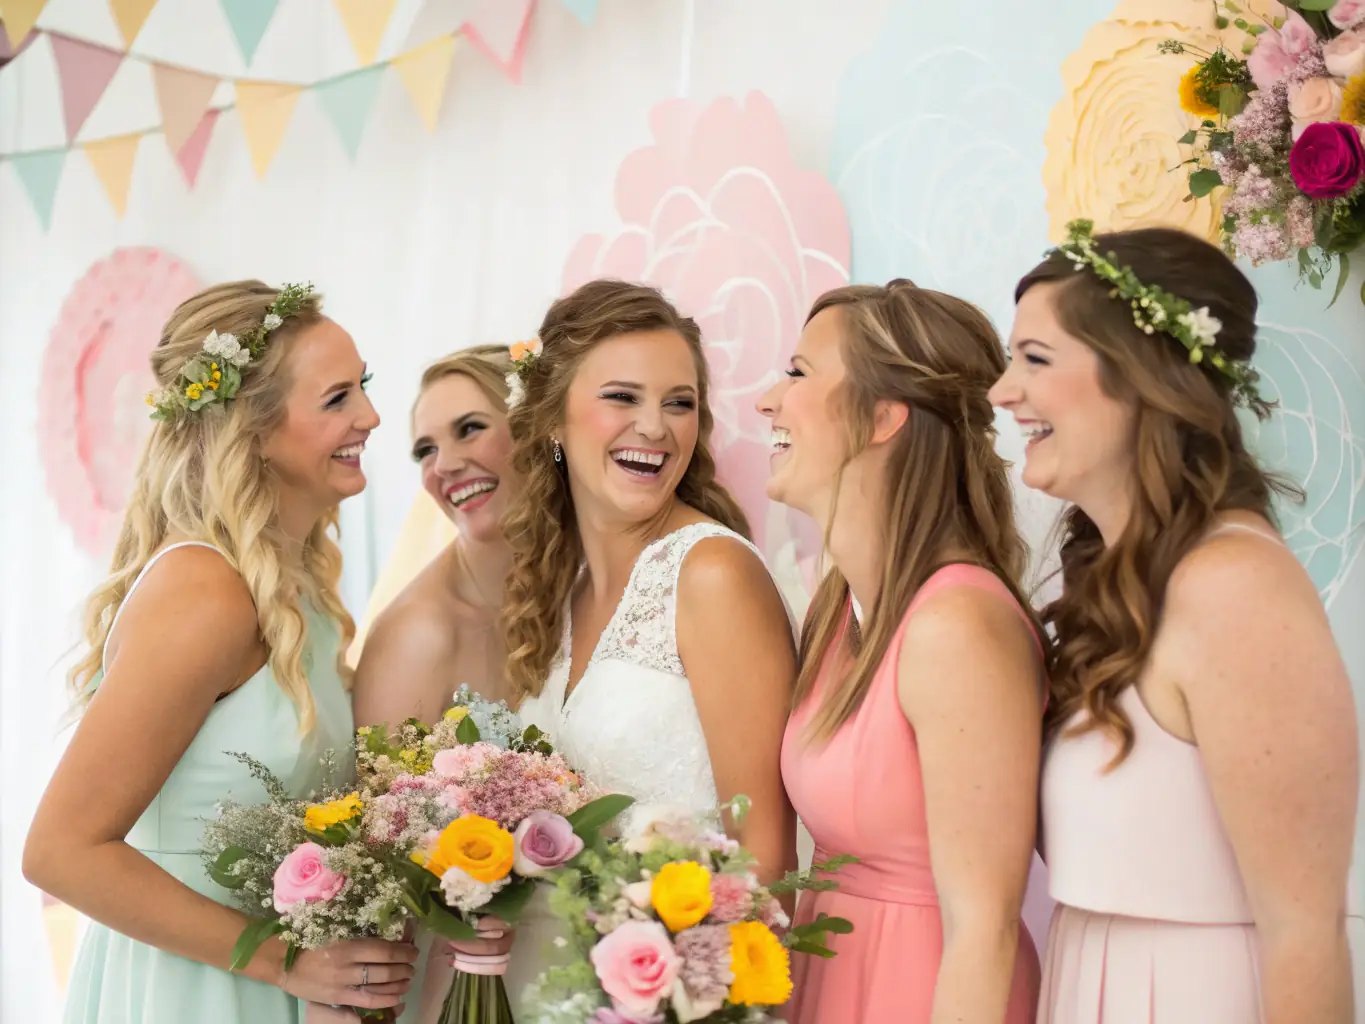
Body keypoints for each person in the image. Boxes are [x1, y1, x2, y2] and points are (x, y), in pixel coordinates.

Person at [990, 221, 1358, 1023]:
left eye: (1033, 359)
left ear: (1137, 378)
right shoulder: (1115, 582)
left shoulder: (1235, 588)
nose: (1001, 390)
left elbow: (1303, 930)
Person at [24, 282, 417, 1024]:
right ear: (255, 431)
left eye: (363, 386)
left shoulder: (300, 595)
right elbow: (61, 851)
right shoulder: (206, 592)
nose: (369, 415)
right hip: (194, 991)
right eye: (337, 398)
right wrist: (288, 961)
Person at [499, 279, 799, 1012]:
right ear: (552, 421)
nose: (655, 428)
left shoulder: (712, 575)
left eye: (678, 402)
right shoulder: (556, 587)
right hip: (541, 988)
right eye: (622, 398)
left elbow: (765, 850)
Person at [760, 281, 1047, 1024]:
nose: (768, 400)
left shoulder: (957, 626)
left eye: (797, 373)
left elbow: (983, 930)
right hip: (829, 981)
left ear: (883, 417)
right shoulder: (837, 607)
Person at [351, 346, 520, 1023]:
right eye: (425, 448)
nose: (443, 465)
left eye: (469, 428)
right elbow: (377, 872)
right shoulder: (419, 632)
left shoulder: (593, 592)